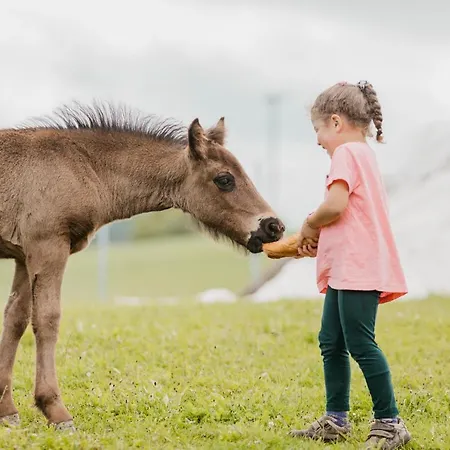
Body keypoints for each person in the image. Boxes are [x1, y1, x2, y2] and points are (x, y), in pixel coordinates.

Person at [290, 80, 411, 449]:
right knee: (331, 340)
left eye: (318, 130)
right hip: (350, 265)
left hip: (358, 267)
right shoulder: (364, 154)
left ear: (336, 122)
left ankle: (390, 422)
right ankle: (335, 419)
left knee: (360, 343)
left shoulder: (346, 154)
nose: (317, 141)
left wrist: (310, 223)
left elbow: (336, 205)